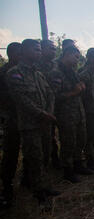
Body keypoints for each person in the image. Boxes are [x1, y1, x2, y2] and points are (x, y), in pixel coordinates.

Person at [6, 39, 59, 206]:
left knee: (44, 155)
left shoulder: (38, 73)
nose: (39, 52)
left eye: (39, 50)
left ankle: (44, 185)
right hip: (30, 125)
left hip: (45, 122)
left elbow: (49, 93)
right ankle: (38, 192)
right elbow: (22, 99)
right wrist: (42, 114)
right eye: (36, 49)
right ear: (24, 52)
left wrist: (48, 113)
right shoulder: (15, 73)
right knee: (34, 158)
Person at [50, 46, 93, 183]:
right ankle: (67, 170)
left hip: (78, 111)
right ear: (67, 55)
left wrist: (81, 88)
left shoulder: (72, 72)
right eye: (76, 57)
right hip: (65, 113)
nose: (77, 61)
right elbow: (54, 96)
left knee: (81, 139)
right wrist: (73, 92)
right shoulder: (56, 73)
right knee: (68, 142)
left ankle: (78, 164)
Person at [0, 42, 23, 207]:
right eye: (18, 52)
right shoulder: (4, 73)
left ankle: (28, 180)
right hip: (11, 118)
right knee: (11, 154)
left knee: (31, 151)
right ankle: (6, 186)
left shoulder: (26, 72)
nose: (21, 55)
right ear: (11, 54)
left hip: (27, 118)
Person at [37, 39, 61, 169]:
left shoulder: (56, 65)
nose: (53, 51)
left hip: (56, 106)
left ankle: (54, 160)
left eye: (54, 48)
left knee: (51, 138)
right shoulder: (35, 66)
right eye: (50, 48)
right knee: (39, 143)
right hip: (40, 110)